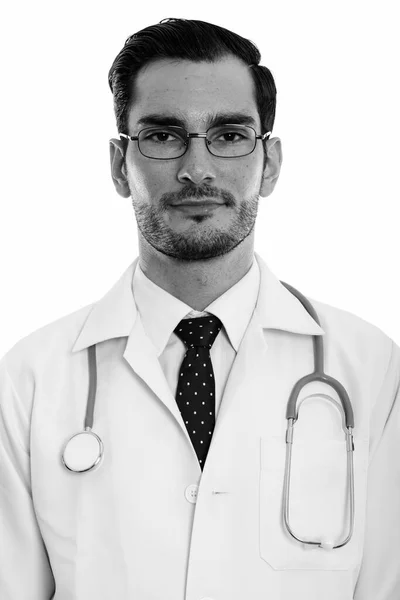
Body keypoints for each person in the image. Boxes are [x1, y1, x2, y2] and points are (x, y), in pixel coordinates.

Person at [0, 18, 399, 600]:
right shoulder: (30, 380)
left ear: (272, 163)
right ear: (119, 164)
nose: (197, 168)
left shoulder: (370, 369)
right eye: (163, 135)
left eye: (230, 134)